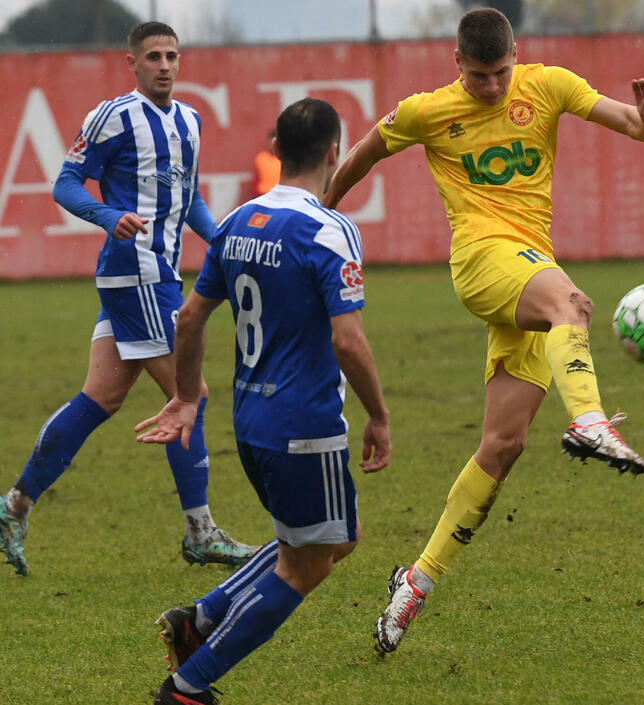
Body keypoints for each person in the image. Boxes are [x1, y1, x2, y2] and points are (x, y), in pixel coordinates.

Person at [322, 7, 644, 653]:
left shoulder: (549, 84)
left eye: (501, 73)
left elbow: (633, 124)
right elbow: (365, 152)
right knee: (573, 304)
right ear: (457, 62)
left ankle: (414, 582)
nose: (491, 86)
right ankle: (590, 420)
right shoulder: (427, 111)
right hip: (482, 261)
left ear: (517, 55)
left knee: (503, 446)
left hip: (530, 267)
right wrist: (321, 212)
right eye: (478, 76)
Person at [135, 97, 391, 705]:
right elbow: (348, 341)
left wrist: (187, 396)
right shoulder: (328, 229)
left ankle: (198, 619)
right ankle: (188, 686)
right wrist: (379, 415)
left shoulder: (236, 223)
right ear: (335, 152)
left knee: (339, 534)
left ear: (276, 150)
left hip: (251, 419)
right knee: (307, 565)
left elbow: (190, 317)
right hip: (305, 424)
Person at [0, 22, 257, 576]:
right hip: (135, 272)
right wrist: (107, 215)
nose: (164, 65)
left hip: (157, 275)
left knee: (101, 397)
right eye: (154, 56)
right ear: (132, 63)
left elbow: (189, 200)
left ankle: (13, 506)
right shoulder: (113, 116)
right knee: (191, 394)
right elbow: (66, 183)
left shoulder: (189, 121)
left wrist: (223, 242)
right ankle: (201, 532)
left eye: (172, 56)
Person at [252, 130, 281, 197]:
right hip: (263, 194)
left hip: (281, 196)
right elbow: (256, 179)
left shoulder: (286, 159)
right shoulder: (261, 157)